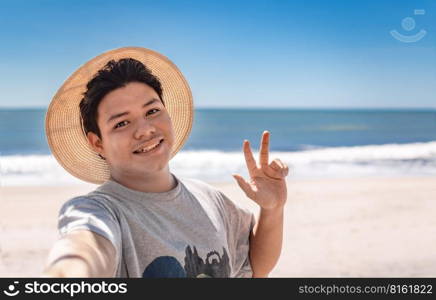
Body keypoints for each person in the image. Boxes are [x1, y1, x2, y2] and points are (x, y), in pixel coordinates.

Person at [43, 47, 289, 278]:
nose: (145, 130)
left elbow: (254, 267)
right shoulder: (101, 210)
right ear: (97, 143)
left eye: (152, 111)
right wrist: (68, 273)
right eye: (121, 123)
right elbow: (84, 247)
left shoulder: (209, 198)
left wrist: (273, 209)